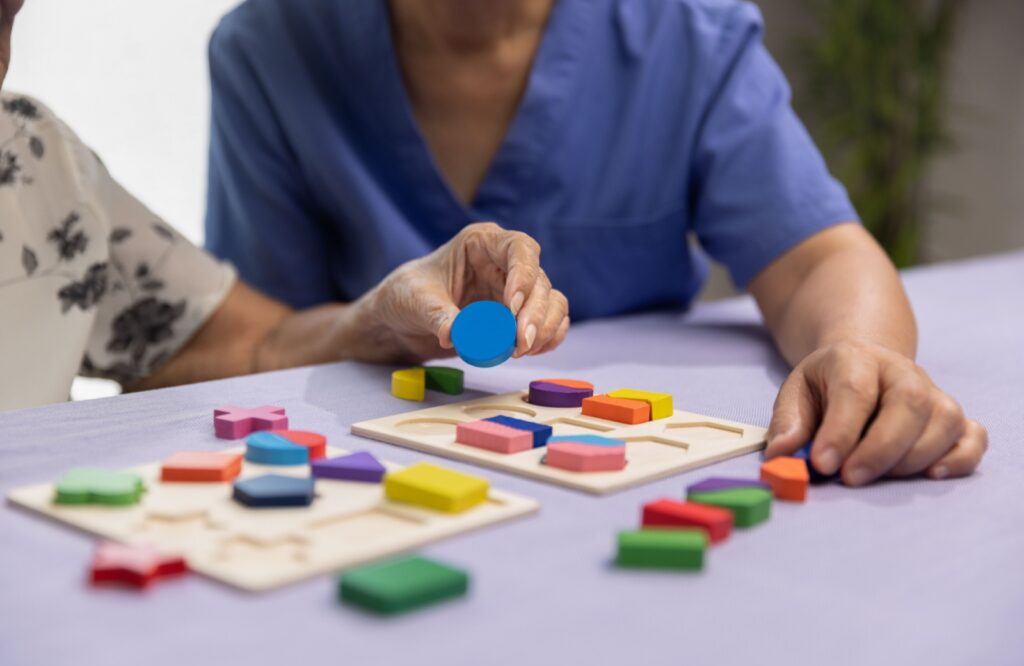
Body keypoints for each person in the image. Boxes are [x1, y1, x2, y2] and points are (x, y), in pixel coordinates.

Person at [204, 0, 986, 487]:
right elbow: (258, 341)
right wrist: (368, 325)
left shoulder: (689, 33)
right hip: (373, 473)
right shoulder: (267, 47)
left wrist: (860, 352)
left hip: (642, 471)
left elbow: (819, 255)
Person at [0, 0, 567, 411]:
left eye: (5, 19)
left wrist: (380, 323)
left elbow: (240, 348)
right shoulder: (271, 46)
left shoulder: (32, 154)